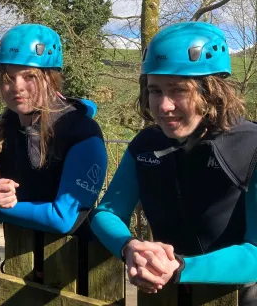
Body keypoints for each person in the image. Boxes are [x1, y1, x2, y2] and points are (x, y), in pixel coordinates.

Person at [90, 22, 257, 304]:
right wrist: (130, 247)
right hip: (169, 293)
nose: (164, 106)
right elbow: (106, 213)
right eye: (155, 91)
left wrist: (180, 267)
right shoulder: (146, 145)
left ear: (212, 91)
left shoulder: (250, 146)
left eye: (178, 90)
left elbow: (255, 252)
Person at [0, 23, 107, 235]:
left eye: (29, 77)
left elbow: (63, 219)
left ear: (51, 79)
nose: (17, 87)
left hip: (73, 261)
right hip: (14, 260)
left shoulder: (81, 131)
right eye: (8, 78)